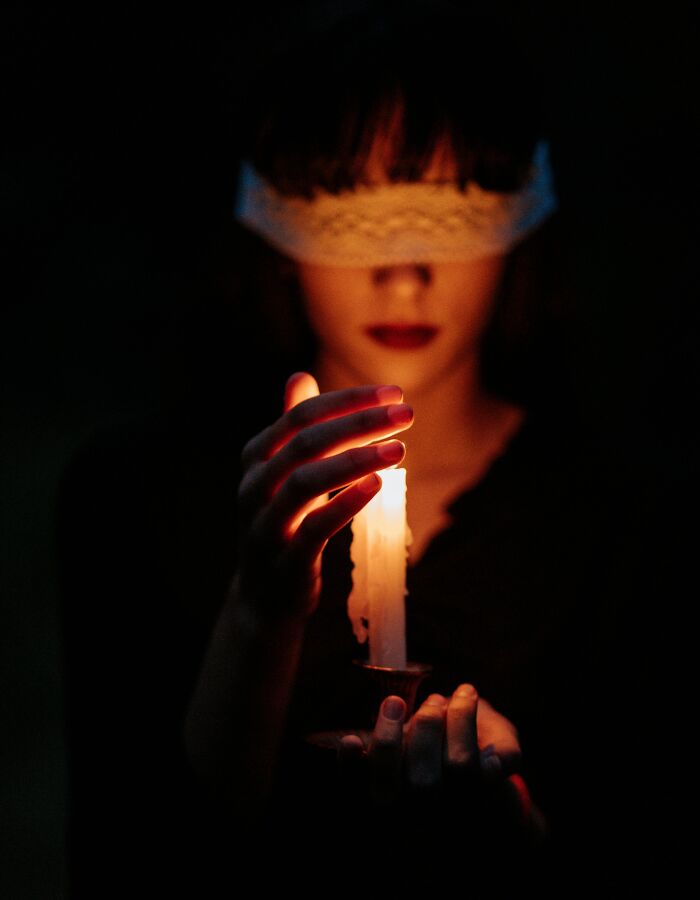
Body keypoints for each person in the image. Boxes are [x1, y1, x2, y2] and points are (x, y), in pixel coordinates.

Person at [57, 2, 668, 897]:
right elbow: (131, 852)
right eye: (351, 211)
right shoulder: (133, 498)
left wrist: (515, 840)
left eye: (451, 208)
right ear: (273, 233)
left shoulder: (634, 524)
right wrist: (261, 612)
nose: (404, 273)